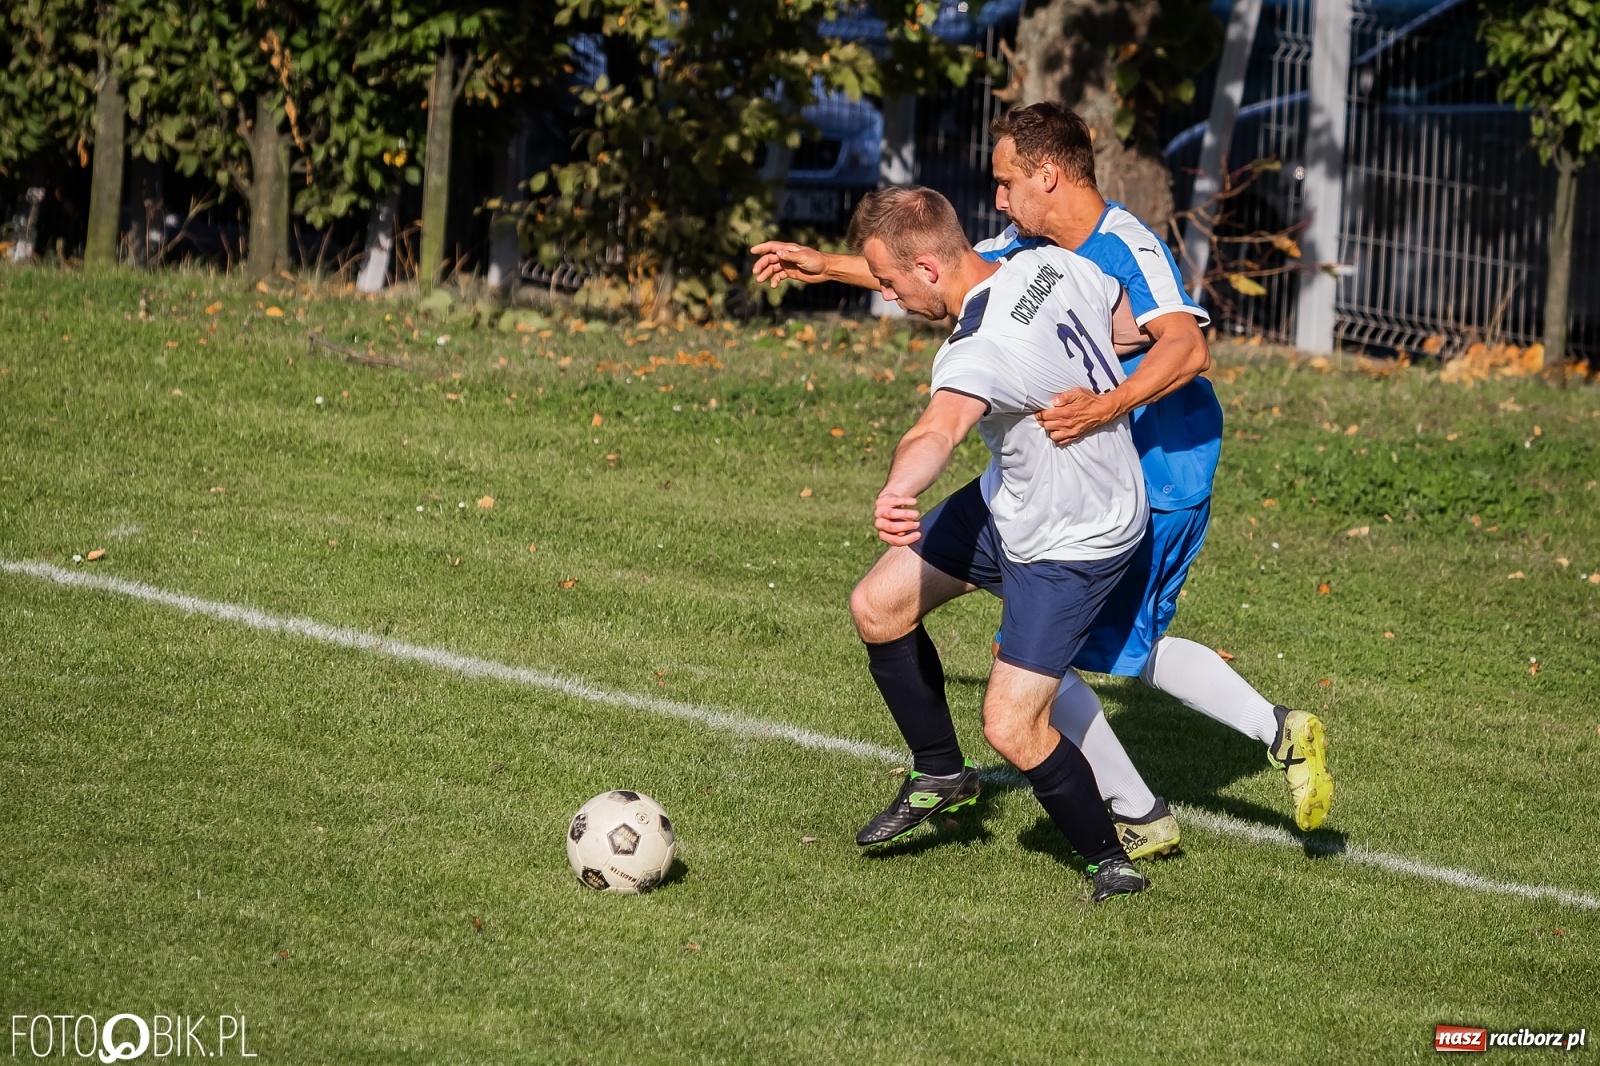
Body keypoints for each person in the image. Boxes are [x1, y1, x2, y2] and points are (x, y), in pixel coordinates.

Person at [751, 103, 1333, 848]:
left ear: (1047, 175)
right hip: (1079, 466)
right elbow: (943, 267)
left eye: (1004, 182)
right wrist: (825, 264)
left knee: (1076, 655)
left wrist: (1104, 407)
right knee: (1065, 653)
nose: (995, 198)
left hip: (1158, 466)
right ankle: (1182, 787)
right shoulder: (1029, 245)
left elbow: (1187, 350)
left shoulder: (1125, 244)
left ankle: (1199, 779)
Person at [846, 185, 1150, 902]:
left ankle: (1112, 860)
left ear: (927, 268)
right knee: (878, 605)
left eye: (888, 282)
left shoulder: (977, 348)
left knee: (1013, 724)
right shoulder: (1046, 263)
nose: (888, 297)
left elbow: (936, 431)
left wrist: (898, 490)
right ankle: (940, 773)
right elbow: (1132, 327)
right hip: (1016, 498)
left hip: (1076, 533)